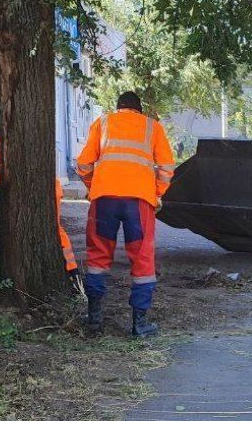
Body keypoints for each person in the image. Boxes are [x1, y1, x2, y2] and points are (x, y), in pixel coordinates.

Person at [75, 92, 176, 337]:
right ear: (139, 110)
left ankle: (94, 320)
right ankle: (139, 324)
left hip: (104, 199)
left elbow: (83, 164)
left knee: (98, 257)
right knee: (142, 259)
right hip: (139, 201)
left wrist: (93, 187)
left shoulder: (103, 123)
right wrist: (156, 192)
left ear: (118, 108)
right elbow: (167, 167)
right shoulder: (153, 127)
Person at [0, 128, 79, 278]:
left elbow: (7, 172)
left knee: (52, 227)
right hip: (36, 190)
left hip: (43, 191)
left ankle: (71, 268)